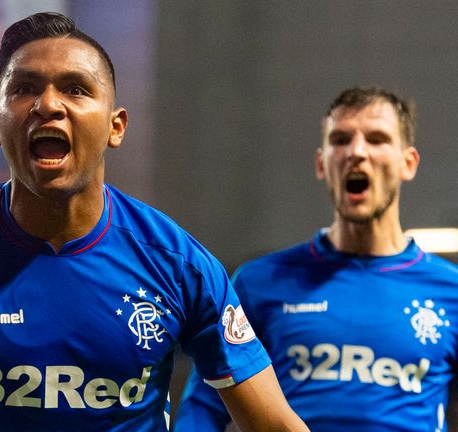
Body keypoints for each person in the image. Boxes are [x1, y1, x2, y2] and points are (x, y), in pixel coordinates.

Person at [0, 12, 308, 432]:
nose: (48, 105)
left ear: (115, 127)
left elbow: (274, 425)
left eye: (75, 89)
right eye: (24, 89)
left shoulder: (177, 264)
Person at [175, 86, 458, 431]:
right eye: (340, 140)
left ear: (408, 163)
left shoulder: (450, 290)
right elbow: (204, 405)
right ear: (322, 164)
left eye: (377, 139)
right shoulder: (261, 282)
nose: (356, 152)